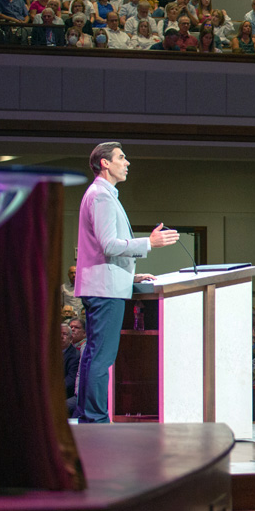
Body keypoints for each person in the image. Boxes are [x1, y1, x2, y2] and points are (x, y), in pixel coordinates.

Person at [73, 143, 179, 423]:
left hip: (105, 285)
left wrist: (129, 277)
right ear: (105, 163)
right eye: (121, 157)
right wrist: (150, 243)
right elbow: (108, 244)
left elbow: (99, 248)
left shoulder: (102, 195)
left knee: (94, 355)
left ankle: (89, 416)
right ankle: (94, 419)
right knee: (100, 357)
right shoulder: (101, 196)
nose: (127, 162)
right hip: (104, 290)